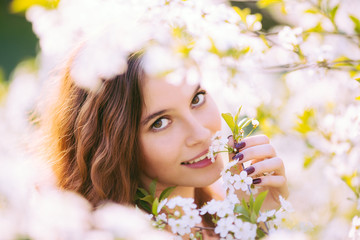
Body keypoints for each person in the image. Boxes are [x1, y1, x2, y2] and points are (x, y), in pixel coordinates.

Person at [41, 52, 288, 238]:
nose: (200, 134)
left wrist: (259, 223)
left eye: (197, 99)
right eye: (160, 122)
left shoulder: (227, 211)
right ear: (114, 146)